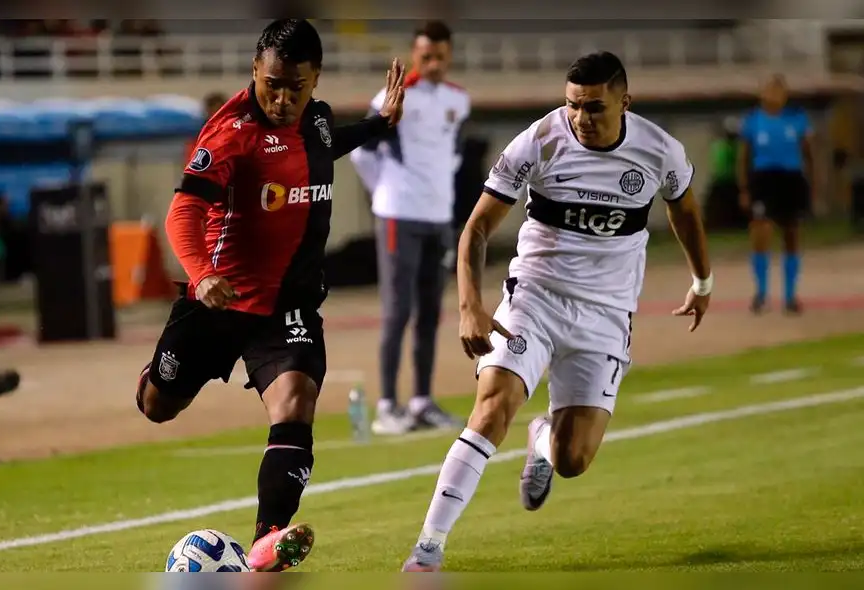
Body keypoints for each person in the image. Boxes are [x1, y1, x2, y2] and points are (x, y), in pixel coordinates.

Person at [401, 51, 713, 572]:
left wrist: (702, 280)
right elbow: (476, 228)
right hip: (536, 297)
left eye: (594, 107)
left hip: (606, 314)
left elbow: (685, 211)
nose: (581, 118)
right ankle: (427, 550)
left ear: (624, 102)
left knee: (573, 460)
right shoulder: (540, 141)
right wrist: (470, 306)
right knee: (491, 408)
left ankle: (541, 438)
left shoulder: (660, 150)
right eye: (572, 105)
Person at [134, 19, 405, 572]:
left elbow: (331, 144)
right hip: (219, 298)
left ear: (315, 80)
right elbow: (183, 210)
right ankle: (156, 375)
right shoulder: (229, 133)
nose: (282, 99)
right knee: (157, 406)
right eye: (272, 84)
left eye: (295, 87)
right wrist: (201, 273)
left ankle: (267, 541)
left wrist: (379, 125)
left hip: (290, 305)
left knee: (296, 400)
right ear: (256, 69)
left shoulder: (320, 122)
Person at [349, 20, 469, 436]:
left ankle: (420, 401)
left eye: (440, 56)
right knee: (397, 311)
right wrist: (386, 193)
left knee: (431, 312)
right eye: (425, 56)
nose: (433, 63)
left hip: (439, 218)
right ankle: (386, 406)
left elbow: (451, 156)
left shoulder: (458, 101)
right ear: (415, 55)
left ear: (449, 55)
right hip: (399, 214)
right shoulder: (393, 97)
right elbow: (361, 153)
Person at [736, 74, 815, 315]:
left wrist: (812, 184)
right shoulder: (753, 120)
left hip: (791, 179)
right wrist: (744, 189)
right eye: (769, 89)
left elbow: (809, 154)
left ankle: (790, 296)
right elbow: (743, 157)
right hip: (763, 180)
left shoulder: (797, 118)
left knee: (791, 235)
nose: (773, 95)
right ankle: (761, 293)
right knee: (760, 231)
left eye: (778, 90)